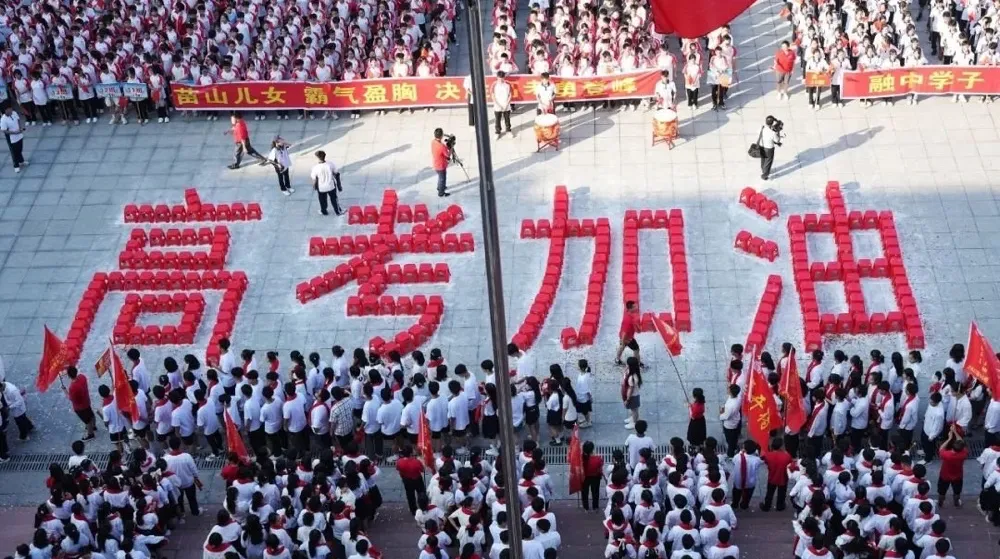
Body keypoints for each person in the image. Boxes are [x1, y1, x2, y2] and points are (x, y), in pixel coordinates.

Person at [937, 426, 968, 508]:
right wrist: (955, 432)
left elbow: (941, 449)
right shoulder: (963, 454)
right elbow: (961, 441)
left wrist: (949, 438)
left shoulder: (947, 455)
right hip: (958, 476)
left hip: (944, 475)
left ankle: (940, 503)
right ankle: (956, 503)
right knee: (957, 492)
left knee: (942, 492)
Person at [759, 437, 793, 511]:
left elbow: (763, 458)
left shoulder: (768, 455)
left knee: (769, 493)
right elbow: (791, 464)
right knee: (782, 494)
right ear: (781, 446)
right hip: (783, 477)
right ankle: (780, 506)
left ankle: (767, 506)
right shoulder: (787, 456)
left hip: (772, 477)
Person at [63, 366, 96, 441]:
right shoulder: (82, 377)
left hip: (80, 407)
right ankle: (94, 426)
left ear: (69, 376)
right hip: (87, 401)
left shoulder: (72, 387)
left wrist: (65, 391)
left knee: (86, 420)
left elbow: (71, 398)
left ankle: (90, 434)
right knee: (91, 414)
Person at [310, 150, 343, 216]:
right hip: (331, 185)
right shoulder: (330, 164)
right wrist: (339, 185)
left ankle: (324, 211)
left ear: (318, 158)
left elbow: (314, 179)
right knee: (334, 199)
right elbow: (336, 173)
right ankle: (338, 211)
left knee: (322, 200)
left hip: (321, 187)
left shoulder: (315, 168)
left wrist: (314, 186)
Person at [0, 104, 26, 173]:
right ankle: (16, 165)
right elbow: (4, 130)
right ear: (5, 110)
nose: (11, 110)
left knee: (20, 148)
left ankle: (21, 161)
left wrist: (20, 128)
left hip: (19, 134)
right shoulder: (3, 119)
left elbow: (18, 120)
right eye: (9, 109)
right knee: (14, 152)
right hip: (12, 137)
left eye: (11, 108)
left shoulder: (14, 113)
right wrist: (14, 132)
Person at [615, 301, 642, 365]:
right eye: (635, 307)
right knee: (636, 349)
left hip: (624, 336)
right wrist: (623, 341)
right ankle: (637, 363)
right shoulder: (628, 319)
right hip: (627, 338)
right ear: (630, 308)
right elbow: (625, 332)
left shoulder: (628, 314)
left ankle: (617, 359)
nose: (637, 307)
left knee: (622, 347)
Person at [757, 115, 783, 181]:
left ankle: (763, 169)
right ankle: (765, 175)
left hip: (762, 146)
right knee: (768, 162)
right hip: (769, 149)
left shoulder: (762, 128)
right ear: (772, 123)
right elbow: (777, 140)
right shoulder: (772, 133)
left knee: (763, 159)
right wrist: (778, 132)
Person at [491, 71, 513, 139]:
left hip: (506, 105)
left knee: (507, 119)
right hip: (497, 106)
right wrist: (498, 104)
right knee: (497, 119)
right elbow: (493, 95)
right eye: (499, 78)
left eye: (502, 78)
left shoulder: (507, 85)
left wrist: (507, 104)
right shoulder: (494, 85)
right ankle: (497, 132)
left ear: (504, 77)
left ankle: (508, 131)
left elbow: (510, 95)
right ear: (497, 77)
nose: (500, 80)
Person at [431, 128, 452, 198]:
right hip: (441, 165)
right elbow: (447, 155)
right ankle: (441, 192)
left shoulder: (433, 142)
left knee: (440, 177)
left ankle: (439, 187)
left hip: (436, 163)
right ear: (441, 136)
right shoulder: (441, 146)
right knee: (442, 178)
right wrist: (451, 149)